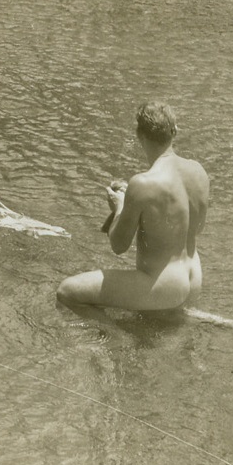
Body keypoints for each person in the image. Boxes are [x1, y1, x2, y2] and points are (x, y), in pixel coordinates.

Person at [57, 102, 207, 312]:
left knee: (67, 292)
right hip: (193, 277)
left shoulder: (143, 183)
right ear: (175, 132)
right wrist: (135, 201)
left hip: (164, 286)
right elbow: (194, 226)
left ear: (140, 136)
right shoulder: (198, 171)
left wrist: (119, 207)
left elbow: (118, 246)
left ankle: (114, 339)